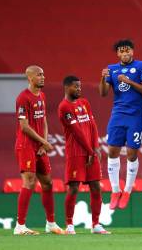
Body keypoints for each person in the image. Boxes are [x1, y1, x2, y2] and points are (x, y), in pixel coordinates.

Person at [98, 39, 142, 210]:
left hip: (135, 116)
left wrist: (129, 81)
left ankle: (127, 190)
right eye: (121, 51)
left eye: (127, 50)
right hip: (118, 115)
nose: (125, 53)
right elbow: (103, 93)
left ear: (132, 51)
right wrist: (103, 78)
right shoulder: (112, 69)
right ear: (118, 54)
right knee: (112, 151)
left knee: (131, 153)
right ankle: (115, 190)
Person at [13, 65, 64, 235]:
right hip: (26, 145)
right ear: (30, 78)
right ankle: (20, 226)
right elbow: (24, 127)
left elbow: (43, 120)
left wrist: (44, 143)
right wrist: (43, 141)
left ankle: (51, 223)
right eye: (39, 75)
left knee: (48, 183)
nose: (43, 77)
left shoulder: (42, 95)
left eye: (43, 74)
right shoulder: (23, 98)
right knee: (29, 181)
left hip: (39, 146)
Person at [58, 75, 110, 235]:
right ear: (67, 88)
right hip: (76, 153)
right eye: (76, 86)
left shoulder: (85, 103)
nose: (79, 89)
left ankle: (95, 224)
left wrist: (95, 148)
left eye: (80, 86)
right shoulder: (64, 107)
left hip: (90, 152)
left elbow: (92, 126)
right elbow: (77, 132)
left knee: (96, 187)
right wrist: (89, 151)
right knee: (73, 188)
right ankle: (70, 225)